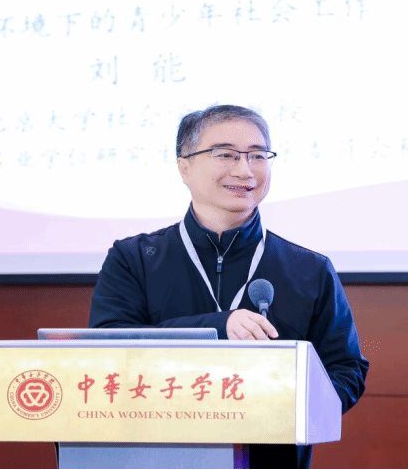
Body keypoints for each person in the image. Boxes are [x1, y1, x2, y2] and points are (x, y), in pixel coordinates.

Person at [88, 104, 368, 469]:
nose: (245, 170)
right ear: (184, 166)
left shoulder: (309, 269)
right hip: (155, 454)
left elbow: (345, 367)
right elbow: (109, 347)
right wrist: (219, 328)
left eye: (257, 155)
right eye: (226, 155)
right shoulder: (134, 258)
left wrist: (296, 407)